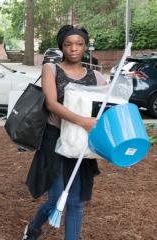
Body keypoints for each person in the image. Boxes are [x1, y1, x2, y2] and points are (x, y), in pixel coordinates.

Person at [22, 25, 107, 240]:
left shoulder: (97, 77)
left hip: (82, 143)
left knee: (76, 201)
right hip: (55, 139)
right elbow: (51, 104)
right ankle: (33, 229)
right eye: (68, 44)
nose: (74, 49)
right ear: (62, 46)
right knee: (56, 198)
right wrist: (83, 121)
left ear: (85, 46)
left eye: (79, 44)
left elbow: (105, 108)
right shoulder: (51, 69)